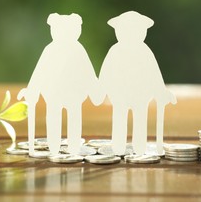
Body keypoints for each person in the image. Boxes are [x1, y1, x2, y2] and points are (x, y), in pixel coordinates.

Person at [18, 13, 101, 156]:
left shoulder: (78, 50)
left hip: (74, 95)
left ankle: (74, 147)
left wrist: (96, 89)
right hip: (53, 95)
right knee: (53, 118)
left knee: (74, 118)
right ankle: (54, 147)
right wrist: (32, 90)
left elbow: (88, 72)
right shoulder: (50, 50)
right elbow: (39, 72)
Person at [98, 11, 177, 155]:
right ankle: (118, 148)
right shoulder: (115, 51)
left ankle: (139, 149)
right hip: (119, 95)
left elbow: (154, 75)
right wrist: (99, 91)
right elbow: (105, 73)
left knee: (140, 121)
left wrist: (162, 91)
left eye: (135, 29)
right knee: (120, 119)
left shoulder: (145, 52)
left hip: (141, 96)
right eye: (126, 29)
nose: (130, 34)